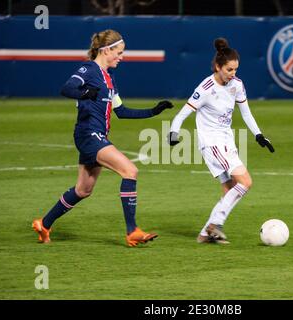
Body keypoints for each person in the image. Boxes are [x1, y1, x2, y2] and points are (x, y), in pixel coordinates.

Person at [32, 29, 174, 247]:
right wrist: (85, 93)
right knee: (130, 170)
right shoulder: (89, 69)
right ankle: (132, 230)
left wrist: (154, 111)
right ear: (106, 50)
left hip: (96, 136)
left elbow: (122, 111)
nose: (122, 57)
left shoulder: (109, 78)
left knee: (83, 190)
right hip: (89, 135)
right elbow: (67, 88)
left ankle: (44, 224)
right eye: (119, 52)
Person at [168, 38, 275, 244]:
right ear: (218, 67)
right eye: (229, 69)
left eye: (235, 69)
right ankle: (215, 223)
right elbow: (182, 114)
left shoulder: (237, 85)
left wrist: (259, 135)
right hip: (212, 143)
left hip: (226, 140)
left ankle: (205, 234)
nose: (233, 74)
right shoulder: (206, 87)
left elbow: (246, 113)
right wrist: (174, 132)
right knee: (245, 182)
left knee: (230, 189)